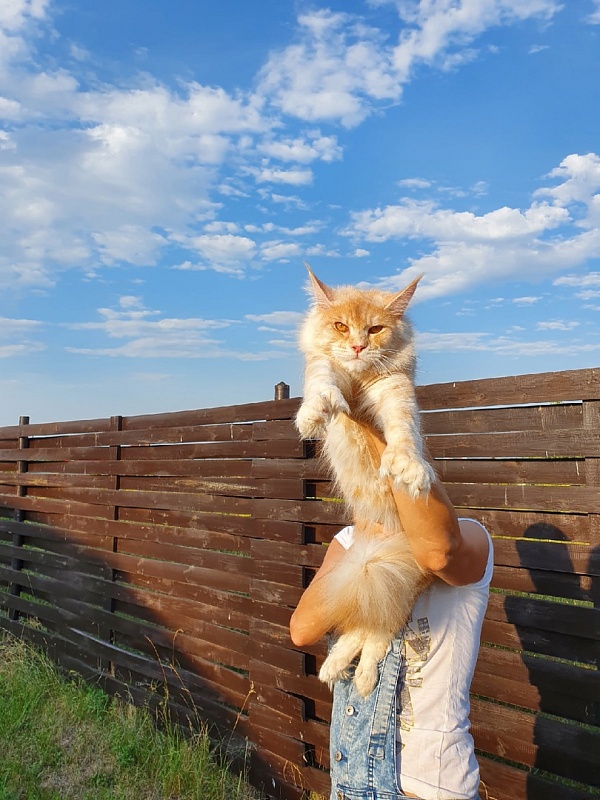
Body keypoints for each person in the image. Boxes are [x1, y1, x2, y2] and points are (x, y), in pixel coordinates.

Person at [290, 424, 493, 800]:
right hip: (350, 783)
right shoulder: (348, 542)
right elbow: (303, 628)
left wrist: (383, 432)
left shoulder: (471, 539)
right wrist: (370, 539)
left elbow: (437, 554)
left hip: (429, 788)